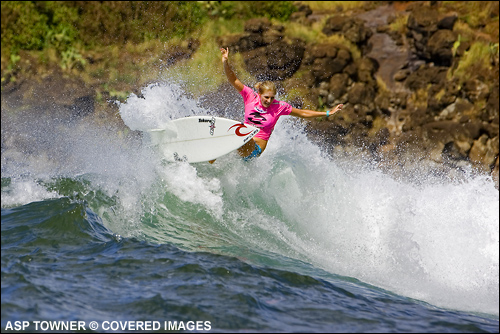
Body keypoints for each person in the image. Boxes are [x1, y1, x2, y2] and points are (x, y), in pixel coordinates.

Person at [217, 47, 343, 161]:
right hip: (242, 142)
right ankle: (215, 153)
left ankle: (223, 149)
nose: (269, 101)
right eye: (266, 97)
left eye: (272, 98)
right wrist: (225, 61)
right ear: (259, 94)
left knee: (243, 137)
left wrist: (328, 112)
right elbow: (233, 79)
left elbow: (303, 113)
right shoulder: (250, 96)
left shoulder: (279, 107)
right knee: (236, 133)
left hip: (254, 150)